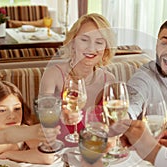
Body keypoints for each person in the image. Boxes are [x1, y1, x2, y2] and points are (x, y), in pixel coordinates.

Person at [40, 13, 116, 144]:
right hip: (59, 153)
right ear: (73, 42)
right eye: (84, 40)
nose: (91, 48)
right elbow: (43, 120)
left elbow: (113, 126)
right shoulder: (53, 75)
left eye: (99, 42)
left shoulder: (108, 80)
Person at [0, 81, 59, 165]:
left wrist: (9, 154)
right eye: (2, 110)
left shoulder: (23, 130)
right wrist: (35, 131)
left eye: (17, 109)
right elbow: (6, 136)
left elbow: (46, 157)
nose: (12, 116)